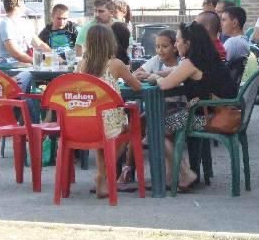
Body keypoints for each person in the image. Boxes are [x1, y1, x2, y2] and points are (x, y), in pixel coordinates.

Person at [157, 21, 233, 192]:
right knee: (165, 124)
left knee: (155, 128)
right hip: (221, 113)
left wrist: (156, 79)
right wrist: (155, 73)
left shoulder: (190, 63)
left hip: (205, 118)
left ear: (188, 43)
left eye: (177, 41)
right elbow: (175, 72)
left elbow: (165, 85)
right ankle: (172, 175)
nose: (176, 44)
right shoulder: (207, 58)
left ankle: (185, 173)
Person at [76, 23, 142, 198]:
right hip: (110, 123)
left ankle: (102, 180)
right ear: (110, 43)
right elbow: (137, 87)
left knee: (101, 140)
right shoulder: (115, 64)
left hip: (86, 122)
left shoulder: (82, 64)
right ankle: (103, 175)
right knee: (128, 129)